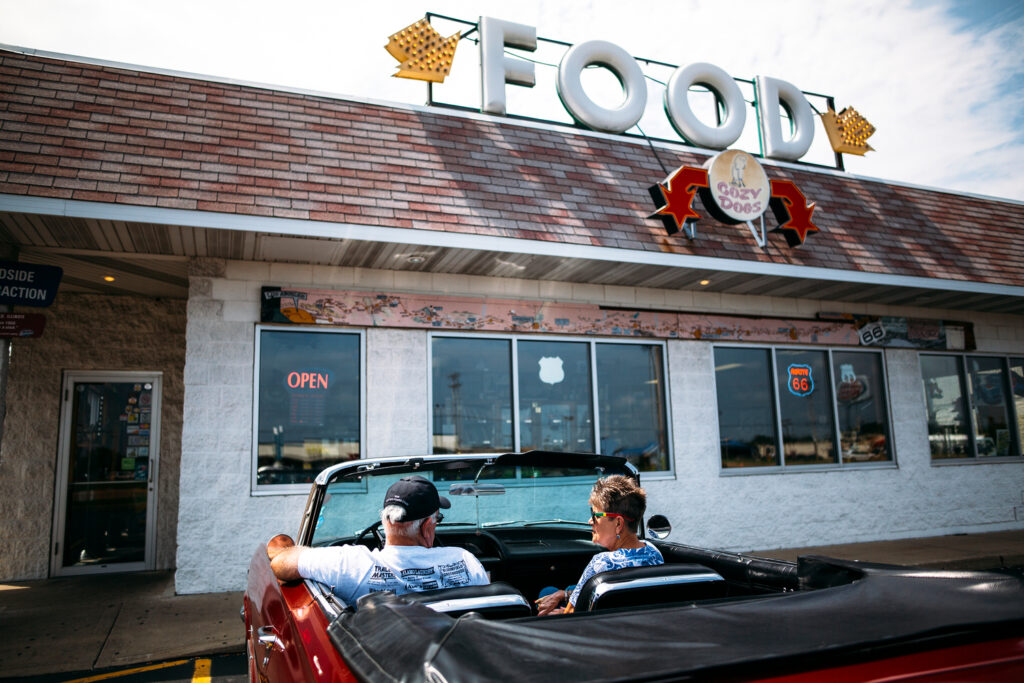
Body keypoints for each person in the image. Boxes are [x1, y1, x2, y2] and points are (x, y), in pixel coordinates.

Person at [267, 475, 489, 605]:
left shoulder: (350, 565)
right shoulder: (464, 561)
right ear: (426, 527)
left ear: (385, 522)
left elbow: (280, 564)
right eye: (437, 519)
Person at [535, 475, 663, 615]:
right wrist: (565, 594)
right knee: (565, 590)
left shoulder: (601, 563)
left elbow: (572, 615)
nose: (590, 521)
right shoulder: (654, 552)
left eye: (596, 515)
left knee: (546, 592)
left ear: (618, 524)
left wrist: (559, 614)